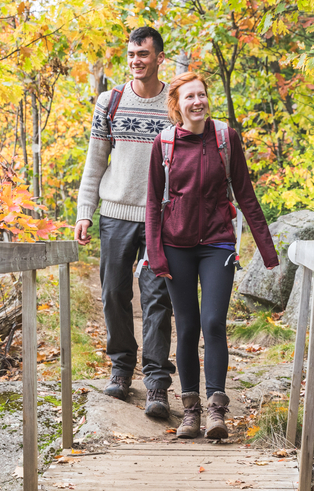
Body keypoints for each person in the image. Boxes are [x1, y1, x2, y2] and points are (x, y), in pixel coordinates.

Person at [145, 72, 279, 439]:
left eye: (201, 94)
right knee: (187, 327)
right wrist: (156, 255)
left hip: (218, 243)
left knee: (214, 322)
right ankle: (191, 412)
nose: (197, 101)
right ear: (178, 105)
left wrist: (266, 250)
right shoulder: (165, 144)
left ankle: (217, 410)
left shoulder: (224, 138)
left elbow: (246, 194)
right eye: (189, 97)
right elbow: (154, 204)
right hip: (176, 247)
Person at [74, 26, 176, 419]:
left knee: (156, 300)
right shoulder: (110, 101)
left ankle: (156, 382)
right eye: (132, 55)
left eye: (144, 55)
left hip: (162, 218)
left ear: (159, 57)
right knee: (114, 293)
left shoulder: (175, 102)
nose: (136, 61)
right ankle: (120, 367)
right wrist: (86, 212)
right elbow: (95, 161)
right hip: (115, 213)